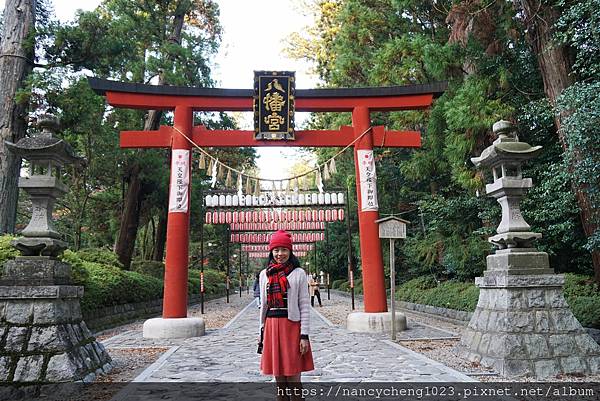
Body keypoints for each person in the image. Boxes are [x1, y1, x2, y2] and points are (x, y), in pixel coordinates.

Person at [258, 230, 313, 401]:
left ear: (290, 251)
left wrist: (304, 335)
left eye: (284, 250)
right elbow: (264, 307)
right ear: (271, 252)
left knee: (294, 376)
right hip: (271, 327)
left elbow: (304, 305)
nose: (280, 254)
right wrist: (261, 332)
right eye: (276, 250)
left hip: (291, 327)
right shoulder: (264, 275)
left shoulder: (298, 273)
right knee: (279, 379)